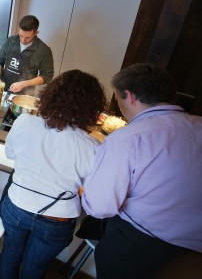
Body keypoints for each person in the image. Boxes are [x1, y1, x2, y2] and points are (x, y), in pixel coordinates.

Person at [82, 64, 202, 279]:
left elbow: (99, 207)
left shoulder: (128, 138)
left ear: (130, 96)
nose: (118, 104)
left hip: (141, 249)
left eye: (118, 97)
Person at [0, 69, 107, 279]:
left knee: (10, 253)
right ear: (92, 108)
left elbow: (10, 153)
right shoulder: (93, 146)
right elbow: (92, 191)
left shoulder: (25, 122)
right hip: (57, 219)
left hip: (17, 207)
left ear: (51, 95)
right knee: (35, 268)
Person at [0, 15, 54, 94]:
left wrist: (23, 84)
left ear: (36, 33)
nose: (23, 40)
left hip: (24, 94)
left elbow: (47, 76)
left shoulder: (43, 50)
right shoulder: (11, 41)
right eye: (21, 35)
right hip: (3, 89)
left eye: (27, 37)